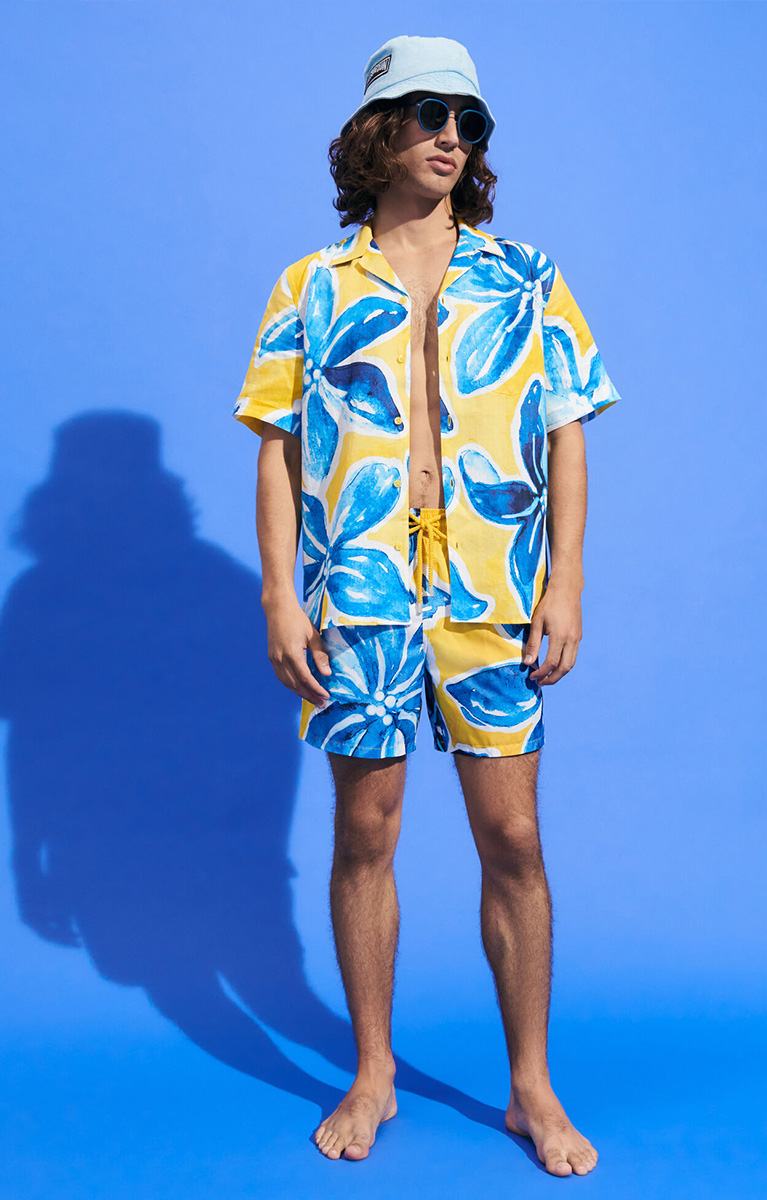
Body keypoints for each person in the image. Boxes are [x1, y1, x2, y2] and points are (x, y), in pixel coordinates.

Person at [233, 34, 619, 1177]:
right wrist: (279, 595)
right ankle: (373, 1073)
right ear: (378, 131)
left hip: (489, 597)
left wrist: (565, 580)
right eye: (430, 113)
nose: (453, 134)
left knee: (514, 838)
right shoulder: (311, 286)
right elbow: (276, 451)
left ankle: (531, 1088)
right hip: (360, 598)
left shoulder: (528, 278)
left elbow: (568, 432)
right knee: (366, 833)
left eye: (470, 120)